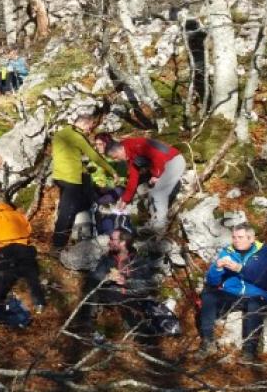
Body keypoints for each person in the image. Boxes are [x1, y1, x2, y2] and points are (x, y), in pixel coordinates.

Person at [196, 224, 267, 361]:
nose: (236, 240)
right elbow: (212, 282)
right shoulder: (227, 252)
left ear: (251, 239)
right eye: (234, 237)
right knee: (208, 295)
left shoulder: (264, 254)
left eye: (240, 237)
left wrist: (240, 269)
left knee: (254, 305)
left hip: (256, 295)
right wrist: (218, 268)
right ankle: (208, 342)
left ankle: (249, 352)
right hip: (232, 295)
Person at [52, 114, 118, 248]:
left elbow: (67, 156)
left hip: (58, 176)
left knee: (73, 203)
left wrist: (83, 169)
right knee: (67, 210)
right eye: (90, 127)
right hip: (71, 178)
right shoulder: (78, 137)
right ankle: (58, 244)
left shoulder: (61, 133)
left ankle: (77, 227)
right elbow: (94, 156)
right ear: (83, 124)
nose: (89, 130)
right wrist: (112, 171)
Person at [0, 200, 44, 320]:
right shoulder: (18, 214)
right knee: (32, 277)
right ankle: (39, 303)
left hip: (3, 251)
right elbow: (29, 231)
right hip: (24, 248)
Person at [105, 137, 186, 232]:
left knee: (158, 194)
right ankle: (154, 222)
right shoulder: (129, 154)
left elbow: (158, 156)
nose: (116, 161)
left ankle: (161, 225)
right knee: (152, 194)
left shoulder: (136, 145)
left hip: (173, 162)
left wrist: (156, 174)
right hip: (164, 165)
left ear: (120, 149)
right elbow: (133, 178)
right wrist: (125, 200)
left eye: (115, 157)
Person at [88, 229, 156, 329]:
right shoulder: (107, 258)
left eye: (112, 239)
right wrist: (107, 277)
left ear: (123, 242)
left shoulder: (138, 262)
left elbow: (146, 287)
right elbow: (94, 275)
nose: (109, 242)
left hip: (131, 304)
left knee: (137, 331)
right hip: (109, 302)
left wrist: (126, 282)